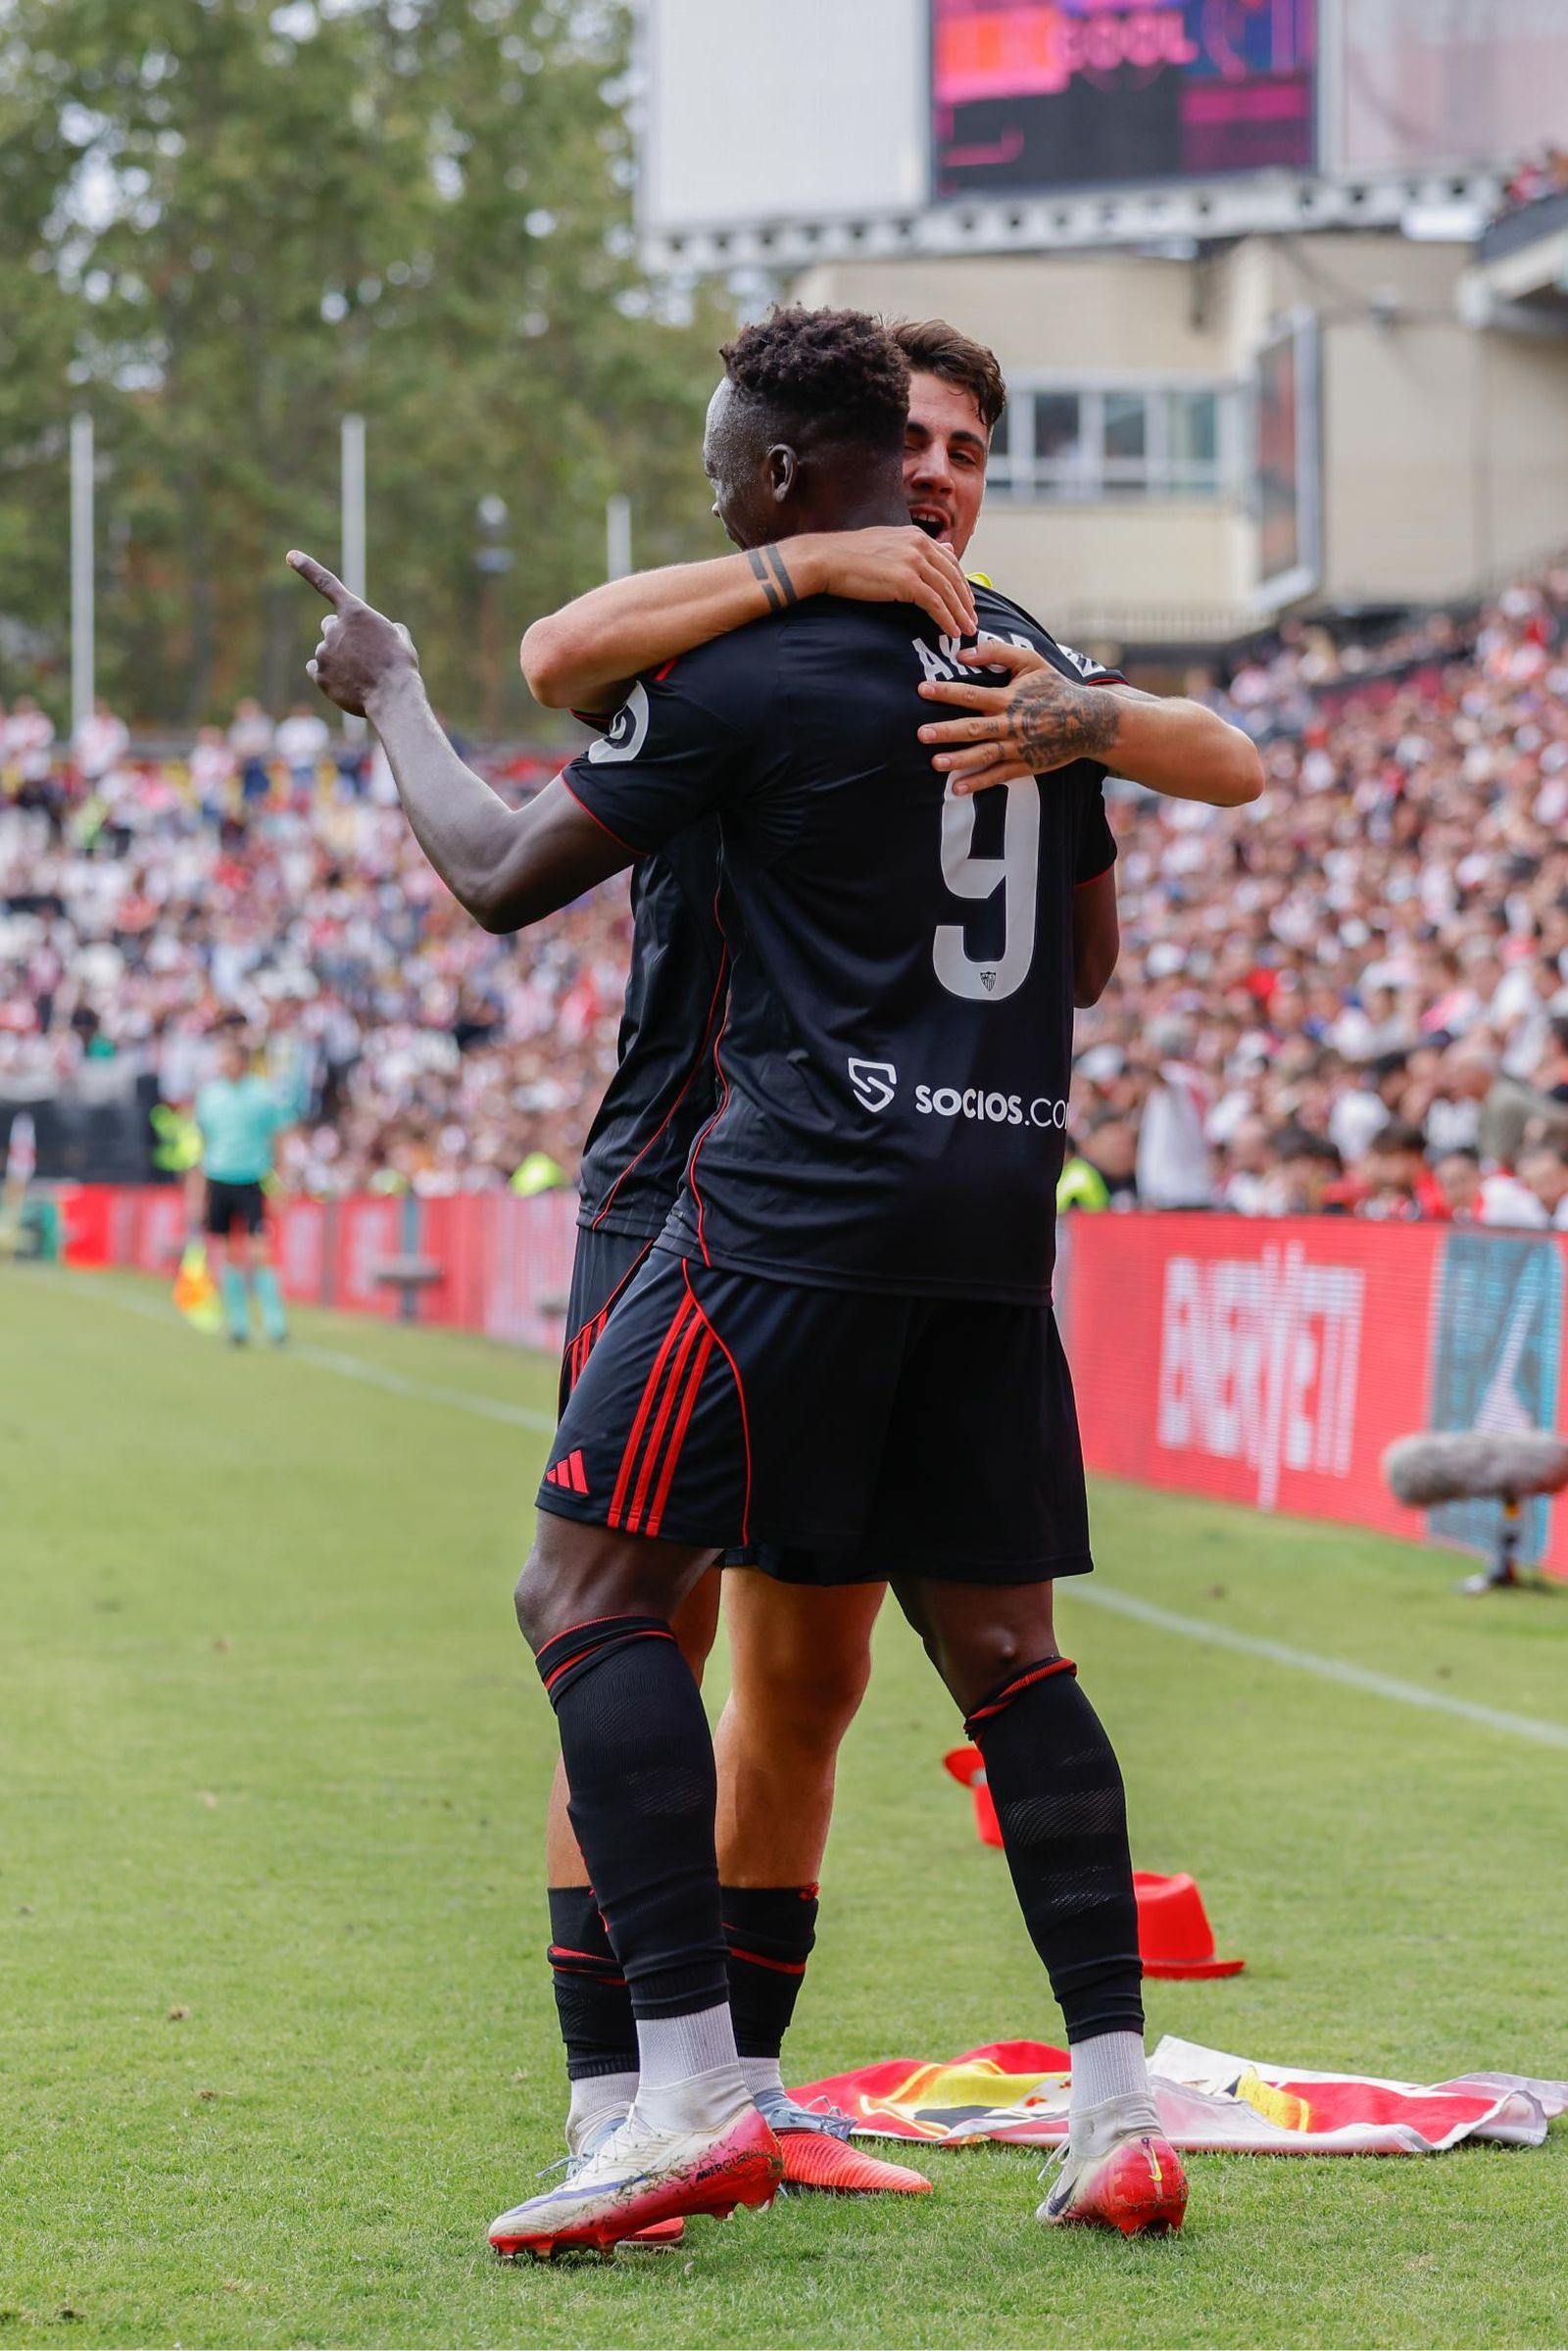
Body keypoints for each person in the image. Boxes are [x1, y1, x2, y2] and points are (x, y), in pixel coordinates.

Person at [291, 305, 1252, 2255]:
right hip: (985, 1205)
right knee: (989, 1653)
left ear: (796, 473)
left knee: (598, 1595)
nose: (722, 486)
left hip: (766, 1198)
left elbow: (495, 857)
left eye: (736, 462)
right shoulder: (1030, 670)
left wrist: (390, 690)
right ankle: (1105, 2100)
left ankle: (683, 2089)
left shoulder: (755, 666)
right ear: (887, 466)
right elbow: (1079, 961)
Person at [194, 1031, 293, 1346]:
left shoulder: (262, 1094)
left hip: (251, 1179)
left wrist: (281, 1183)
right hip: (218, 1178)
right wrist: (196, 1193)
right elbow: (202, 1143)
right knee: (225, 1252)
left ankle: (275, 1322)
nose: (223, 1063)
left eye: (229, 1057)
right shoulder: (209, 1096)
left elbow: (278, 1139)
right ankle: (238, 1323)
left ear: (242, 1062)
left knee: (259, 1250)